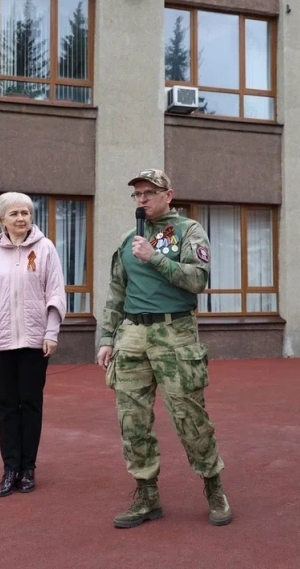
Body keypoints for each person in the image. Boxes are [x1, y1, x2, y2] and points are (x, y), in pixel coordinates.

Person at [96, 169, 232, 529]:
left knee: (190, 418)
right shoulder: (129, 239)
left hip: (175, 334)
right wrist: (107, 338)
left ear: (168, 195)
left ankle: (214, 488)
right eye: (137, 194)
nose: (142, 199)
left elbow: (198, 279)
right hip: (132, 335)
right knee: (132, 421)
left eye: (149, 192)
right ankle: (147, 495)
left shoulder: (189, 231)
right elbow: (116, 291)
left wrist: (154, 257)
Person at [0, 192, 66, 497]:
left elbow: (55, 293)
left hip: (35, 341)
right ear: (2, 220)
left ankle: (28, 468)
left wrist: (51, 332)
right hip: (0, 340)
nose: (21, 218)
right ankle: (10, 468)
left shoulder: (46, 248)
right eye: (14, 214)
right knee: (6, 405)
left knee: (31, 403)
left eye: (26, 213)